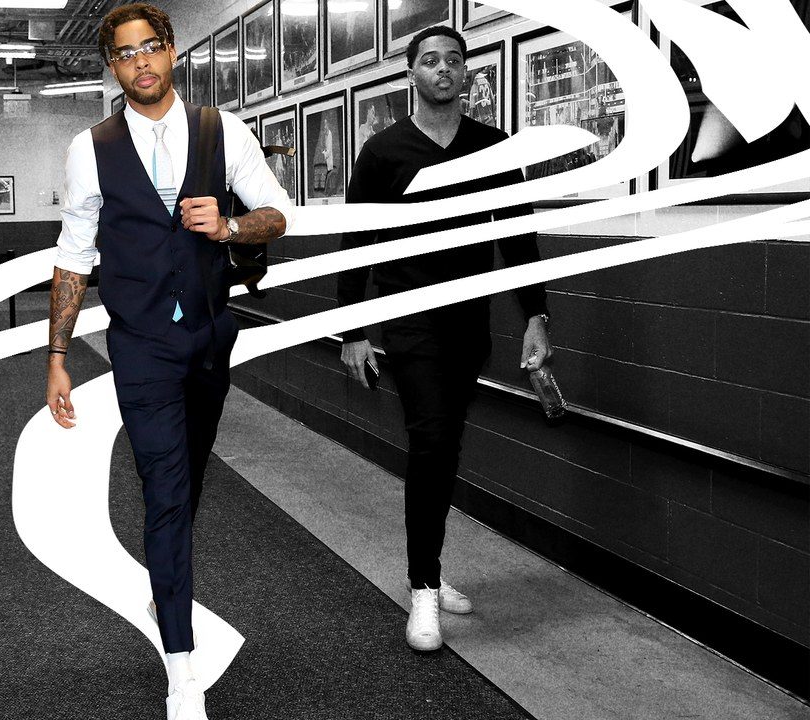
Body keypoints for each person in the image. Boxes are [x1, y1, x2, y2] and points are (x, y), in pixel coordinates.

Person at [43, 4, 292, 719]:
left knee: (189, 477)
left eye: (150, 46)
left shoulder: (223, 131)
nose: (141, 61)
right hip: (142, 346)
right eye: (125, 53)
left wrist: (232, 225)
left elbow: (278, 214)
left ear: (172, 51)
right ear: (111, 68)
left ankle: (166, 579)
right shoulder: (90, 148)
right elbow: (74, 257)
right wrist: (57, 356)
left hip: (211, 339)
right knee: (166, 490)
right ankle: (181, 668)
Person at [337, 26, 553, 652]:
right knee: (431, 441)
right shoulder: (382, 153)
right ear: (412, 73)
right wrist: (353, 329)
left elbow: (517, 234)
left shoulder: (493, 147)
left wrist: (536, 315)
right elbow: (356, 243)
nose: (443, 70)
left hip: (468, 324)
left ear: (465, 73)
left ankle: (428, 565)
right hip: (411, 320)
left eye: (453, 61)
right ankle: (423, 589)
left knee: (446, 446)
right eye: (430, 61)